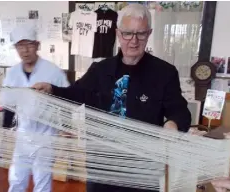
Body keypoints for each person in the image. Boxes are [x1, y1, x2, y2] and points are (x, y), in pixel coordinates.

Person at [32, 4, 191, 192]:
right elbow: (77, 93)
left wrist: (173, 124)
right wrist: (52, 89)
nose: (133, 41)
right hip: (102, 164)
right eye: (127, 33)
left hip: (141, 168)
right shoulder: (100, 69)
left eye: (140, 34)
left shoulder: (164, 73)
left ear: (149, 34)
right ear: (117, 33)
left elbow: (180, 111)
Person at [0, 25, 70, 192]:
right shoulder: (13, 73)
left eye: (29, 45)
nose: (25, 50)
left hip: (45, 136)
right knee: (17, 178)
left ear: (37, 45)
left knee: (42, 181)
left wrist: (66, 126)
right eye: (20, 46)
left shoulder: (53, 72)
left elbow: (68, 98)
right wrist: (5, 128)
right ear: (16, 48)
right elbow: (8, 101)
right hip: (23, 134)